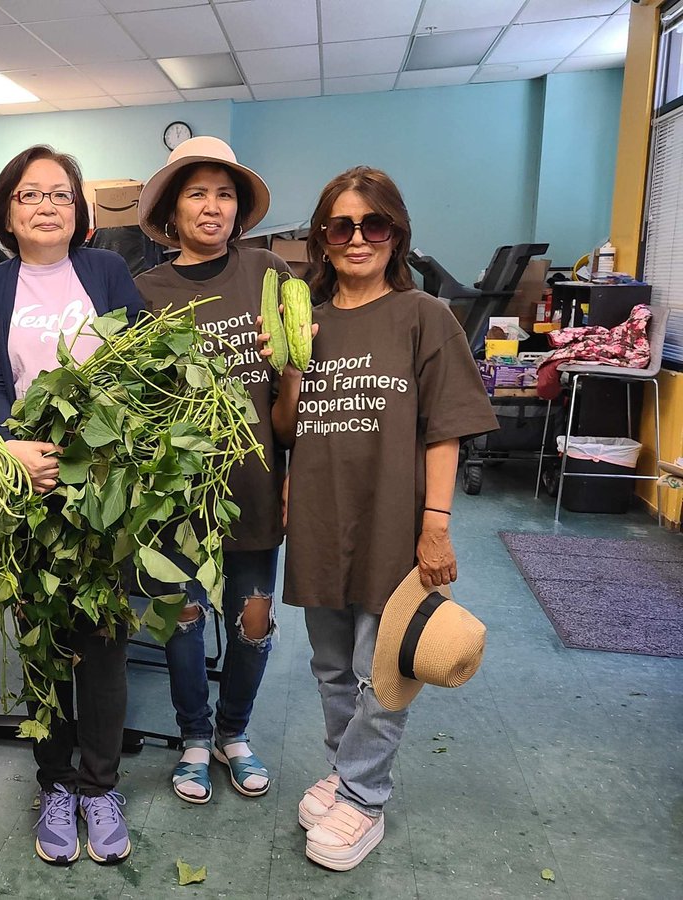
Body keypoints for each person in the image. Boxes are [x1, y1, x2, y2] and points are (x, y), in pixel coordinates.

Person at [271, 166, 497, 871]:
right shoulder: (303, 316)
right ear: (323, 238)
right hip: (317, 513)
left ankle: (365, 798)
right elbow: (285, 428)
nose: (358, 238)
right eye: (342, 226)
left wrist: (436, 522)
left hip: (393, 518)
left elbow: (445, 428)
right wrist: (290, 362)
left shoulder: (424, 316)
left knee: (383, 667)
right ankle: (346, 771)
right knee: (332, 666)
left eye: (374, 225)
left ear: (396, 234)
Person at [0, 145, 142, 866]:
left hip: (106, 484)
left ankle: (99, 785)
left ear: (79, 211)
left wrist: (105, 451)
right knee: (43, 640)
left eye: (60, 195)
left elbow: (139, 368)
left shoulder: (107, 272)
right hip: (30, 484)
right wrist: (13, 449)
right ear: (8, 210)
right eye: (30, 194)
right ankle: (56, 783)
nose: (45, 206)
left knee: (103, 643)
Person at [134, 136, 291, 806]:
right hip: (178, 495)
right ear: (173, 209)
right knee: (186, 619)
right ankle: (194, 738)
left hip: (255, 484)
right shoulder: (142, 291)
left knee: (253, 619)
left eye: (224, 193)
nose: (213, 206)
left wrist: (293, 477)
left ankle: (235, 733)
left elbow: (293, 393)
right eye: (197, 192)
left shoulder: (271, 274)